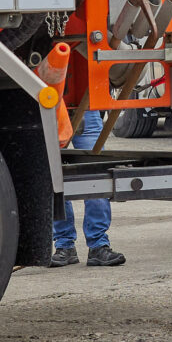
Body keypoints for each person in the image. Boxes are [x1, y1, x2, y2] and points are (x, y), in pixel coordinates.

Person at [49, 109, 123, 267]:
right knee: (54, 174)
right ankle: (65, 245)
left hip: (82, 104)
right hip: (51, 105)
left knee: (95, 173)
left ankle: (97, 245)